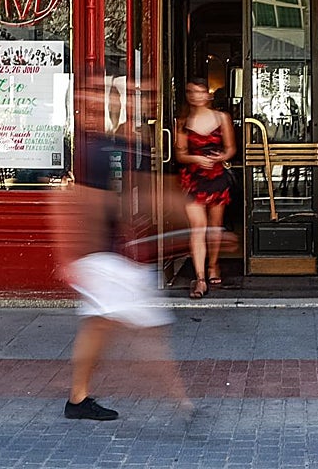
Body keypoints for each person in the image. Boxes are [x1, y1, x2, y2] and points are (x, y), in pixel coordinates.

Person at [54, 85, 189, 422]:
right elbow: (64, 200)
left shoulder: (123, 145)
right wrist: (69, 253)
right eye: (100, 103)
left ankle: (78, 399)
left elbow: (139, 192)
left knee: (101, 327)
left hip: (115, 253)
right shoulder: (86, 150)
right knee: (145, 330)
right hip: (103, 257)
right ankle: (183, 404)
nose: (111, 107)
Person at [175, 76, 236, 299]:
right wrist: (196, 160)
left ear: (208, 95)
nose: (196, 96)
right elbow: (179, 155)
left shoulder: (222, 118)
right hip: (193, 178)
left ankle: (213, 264)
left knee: (215, 226)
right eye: (191, 91)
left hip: (217, 176)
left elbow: (231, 148)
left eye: (200, 91)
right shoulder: (183, 121)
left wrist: (221, 156)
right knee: (197, 228)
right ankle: (200, 278)